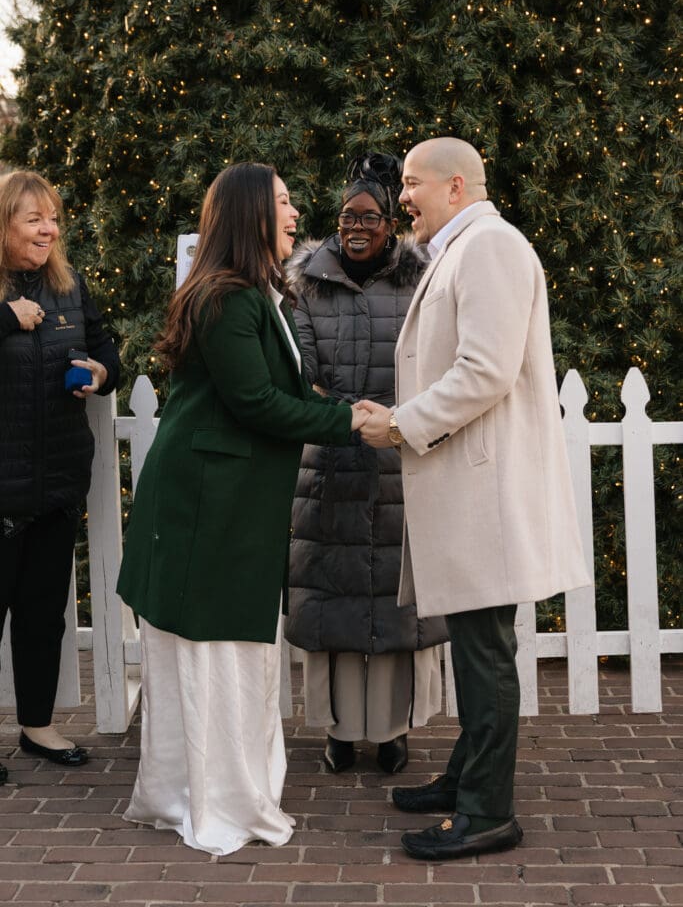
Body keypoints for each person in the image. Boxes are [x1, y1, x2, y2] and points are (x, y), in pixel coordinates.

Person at [116, 162, 368, 856]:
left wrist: (340, 410)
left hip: (226, 495)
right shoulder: (227, 297)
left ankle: (213, 784)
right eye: (283, 203)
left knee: (225, 643)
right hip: (206, 500)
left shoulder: (253, 293)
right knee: (212, 642)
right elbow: (254, 403)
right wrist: (348, 422)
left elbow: (271, 390)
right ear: (251, 214)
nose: (295, 213)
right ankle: (212, 797)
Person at [358, 137, 591, 860]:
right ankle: (466, 779)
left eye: (410, 184)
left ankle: (487, 812)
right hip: (469, 490)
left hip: (483, 495)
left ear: (455, 187)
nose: (402, 198)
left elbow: (484, 370)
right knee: (475, 647)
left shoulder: (490, 246)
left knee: (485, 653)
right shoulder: (469, 245)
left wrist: (401, 424)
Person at [285, 152, 447, 775]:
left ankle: (392, 730)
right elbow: (300, 368)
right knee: (332, 599)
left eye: (369, 216)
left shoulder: (421, 279)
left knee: (397, 602)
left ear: (389, 223)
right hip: (327, 462)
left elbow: (436, 354)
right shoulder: (307, 284)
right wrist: (337, 411)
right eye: (346, 216)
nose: (355, 227)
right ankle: (339, 731)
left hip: (402, 458)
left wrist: (402, 420)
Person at [0, 169, 120, 785]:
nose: (48, 229)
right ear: (4, 226)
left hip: (56, 479)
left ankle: (38, 724)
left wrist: (100, 372)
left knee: (45, 612)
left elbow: (110, 349)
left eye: (52, 218)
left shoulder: (69, 287)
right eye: (32, 219)